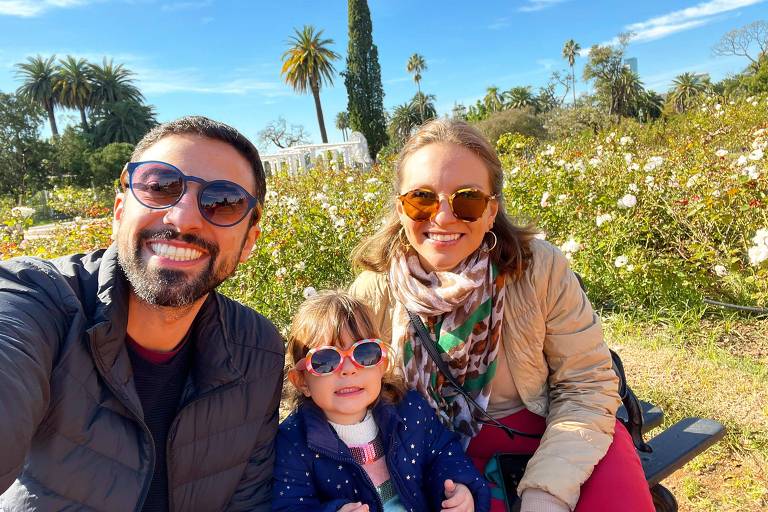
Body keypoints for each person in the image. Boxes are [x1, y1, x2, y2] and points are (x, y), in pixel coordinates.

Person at [349, 119, 654, 512]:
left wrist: (546, 492)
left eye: (467, 200)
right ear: (401, 208)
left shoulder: (538, 269)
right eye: (422, 199)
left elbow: (587, 385)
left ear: (491, 210)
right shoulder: (371, 292)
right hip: (434, 459)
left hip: (559, 436)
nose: (442, 218)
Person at [0, 116, 284, 511]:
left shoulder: (258, 350)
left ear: (249, 241)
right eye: (159, 187)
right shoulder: (38, 301)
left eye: (223, 202)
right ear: (120, 210)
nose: (183, 219)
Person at [272, 290, 490, 512]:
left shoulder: (409, 410)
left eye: (364, 353)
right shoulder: (293, 442)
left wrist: (461, 489)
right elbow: (289, 504)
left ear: (382, 364)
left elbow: (444, 454)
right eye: (326, 360)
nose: (348, 370)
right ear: (301, 381)